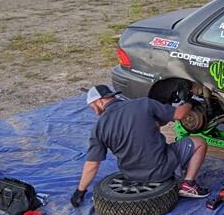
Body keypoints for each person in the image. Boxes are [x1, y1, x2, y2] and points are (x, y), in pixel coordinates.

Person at [70, 85, 209, 207]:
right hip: (162, 169)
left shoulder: (98, 128)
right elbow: (179, 114)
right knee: (200, 142)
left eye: (91, 106)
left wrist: (80, 190)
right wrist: (190, 102)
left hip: (131, 176)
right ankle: (188, 184)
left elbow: (92, 164)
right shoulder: (143, 104)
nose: (93, 110)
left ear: (99, 101)